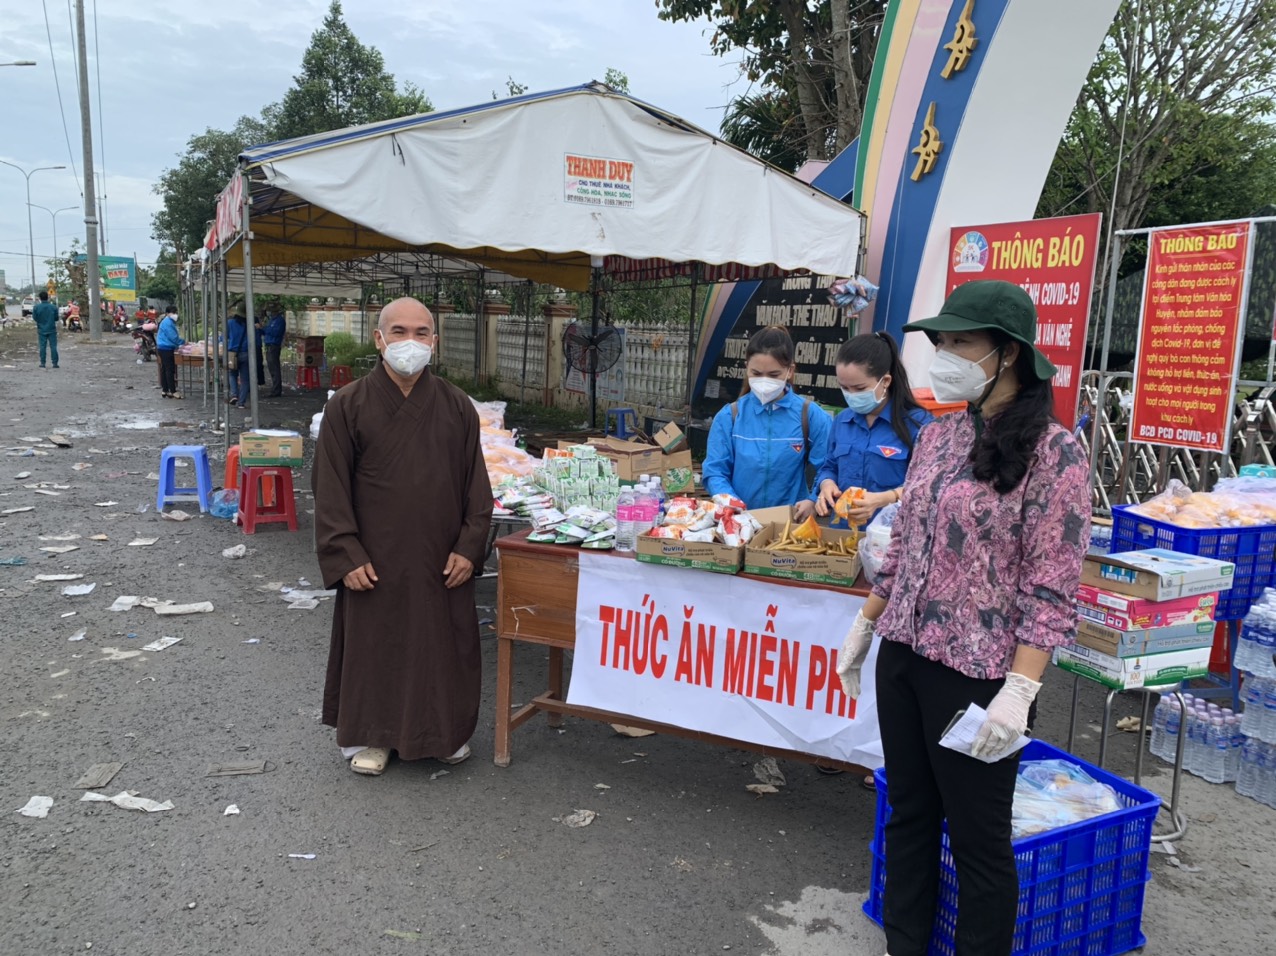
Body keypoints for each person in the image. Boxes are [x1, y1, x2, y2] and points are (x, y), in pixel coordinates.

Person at [836, 281, 1090, 956]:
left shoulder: (1056, 454)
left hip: (978, 679)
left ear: (1008, 354)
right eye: (940, 341)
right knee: (908, 815)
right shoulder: (940, 434)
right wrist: (866, 623)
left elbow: (1052, 587)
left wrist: (1020, 690)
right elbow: (905, 543)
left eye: (961, 342)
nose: (944, 355)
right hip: (904, 656)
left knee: (978, 842)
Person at [312, 297, 493, 776]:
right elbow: (329, 487)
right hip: (375, 557)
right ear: (379, 339)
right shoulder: (348, 405)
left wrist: (469, 547)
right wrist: (344, 553)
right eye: (398, 332)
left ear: (435, 341)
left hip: (440, 556)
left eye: (420, 333)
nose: (409, 342)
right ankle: (375, 737)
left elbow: (477, 486)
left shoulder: (456, 406)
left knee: (441, 645)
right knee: (377, 645)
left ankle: (442, 735)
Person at [702, 325, 831, 520]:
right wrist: (730, 502)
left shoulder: (810, 415)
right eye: (756, 373)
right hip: (739, 521)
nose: (764, 381)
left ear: (790, 370)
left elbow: (829, 466)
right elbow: (715, 470)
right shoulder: (730, 416)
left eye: (773, 375)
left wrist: (813, 500)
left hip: (791, 522)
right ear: (746, 367)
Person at [814, 331, 934, 526]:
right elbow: (829, 466)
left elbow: (929, 485)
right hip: (843, 532)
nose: (851, 395)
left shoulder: (919, 424)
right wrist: (827, 483)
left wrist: (884, 498)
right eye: (844, 388)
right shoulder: (842, 421)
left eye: (860, 388)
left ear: (885, 381)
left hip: (891, 534)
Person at [156, 304, 184, 399]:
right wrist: (183, 342)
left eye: (175, 312)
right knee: (169, 370)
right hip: (166, 348)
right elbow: (173, 337)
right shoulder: (168, 322)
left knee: (164, 369)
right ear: (167, 313)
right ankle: (173, 391)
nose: (175, 314)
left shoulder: (168, 321)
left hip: (163, 347)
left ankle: (165, 390)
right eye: (173, 312)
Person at [226, 305, 250, 407]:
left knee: (232, 374)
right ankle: (241, 402)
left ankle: (234, 395)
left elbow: (225, 336)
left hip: (232, 354)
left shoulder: (230, 323)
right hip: (245, 353)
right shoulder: (249, 325)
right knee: (245, 379)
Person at [262, 301, 287, 397]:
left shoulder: (280, 321)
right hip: (269, 345)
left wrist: (264, 328)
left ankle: (276, 389)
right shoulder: (271, 320)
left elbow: (275, 332)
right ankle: (275, 388)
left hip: (274, 346)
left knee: (274, 368)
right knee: (271, 367)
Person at [32, 291, 59, 369]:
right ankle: (55, 363)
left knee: (42, 346)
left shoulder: (36, 307)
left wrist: (40, 322)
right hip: (52, 329)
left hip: (41, 329)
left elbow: (35, 318)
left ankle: (43, 363)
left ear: (40, 298)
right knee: (53, 346)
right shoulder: (53, 307)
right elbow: (56, 318)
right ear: (48, 297)